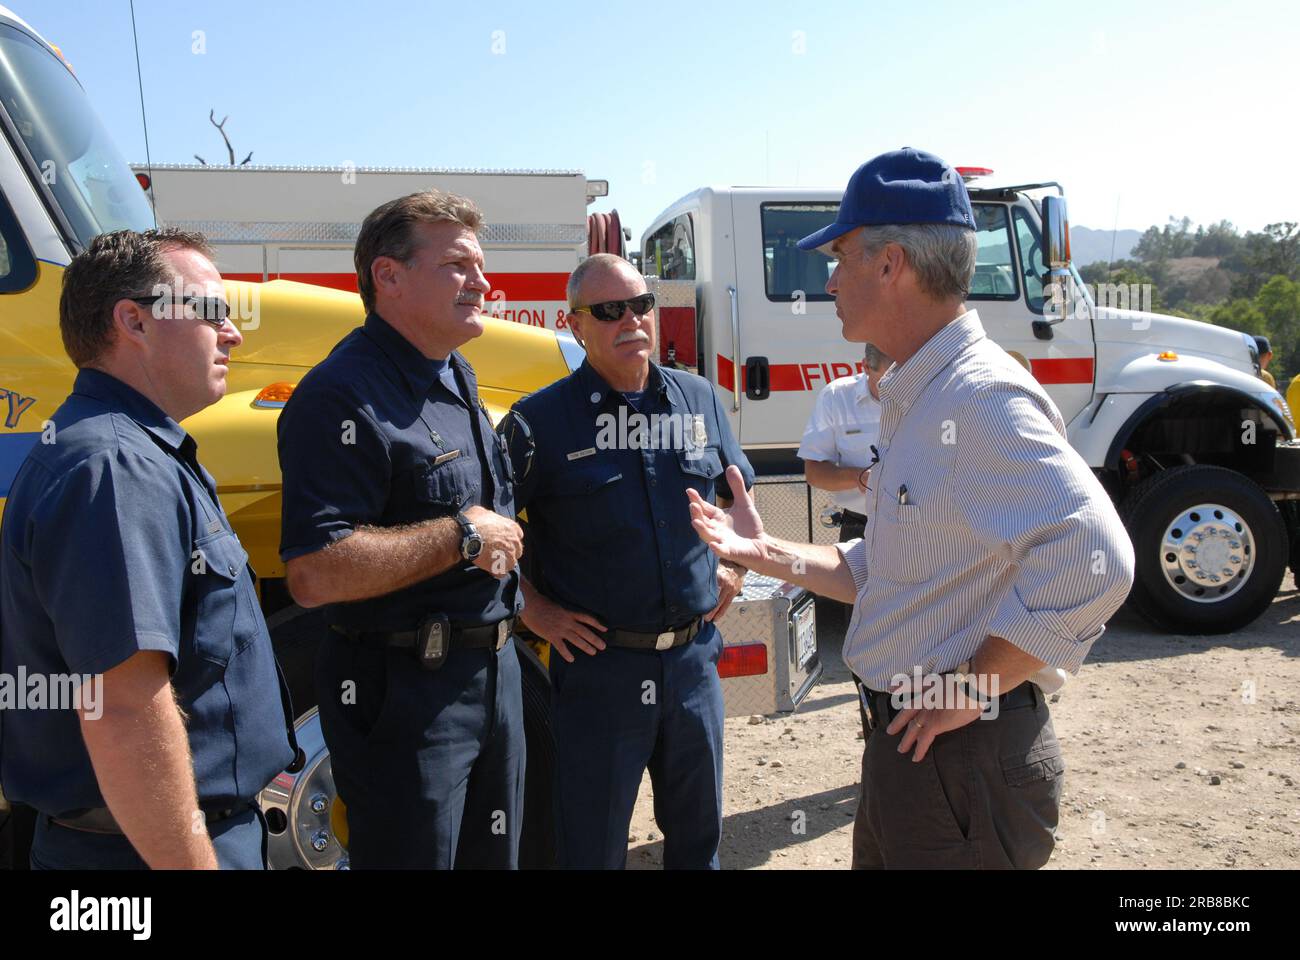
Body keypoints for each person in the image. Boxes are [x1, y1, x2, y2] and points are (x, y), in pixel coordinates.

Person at [687, 148, 1135, 869]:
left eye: (839, 257)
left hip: (961, 760)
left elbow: (1096, 558)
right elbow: (892, 569)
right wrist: (763, 551)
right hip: (918, 755)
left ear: (891, 264)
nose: (828, 280)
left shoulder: (979, 397)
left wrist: (973, 685)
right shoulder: (921, 393)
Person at [0, 229, 294, 869]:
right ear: (133, 320)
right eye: (211, 310)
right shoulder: (114, 468)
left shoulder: (126, 451)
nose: (233, 333)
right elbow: (126, 707)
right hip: (142, 855)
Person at [276, 191, 525, 869]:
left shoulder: (455, 373)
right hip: (406, 696)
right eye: (457, 265)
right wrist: (461, 537)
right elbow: (315, 571)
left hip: (494, 679)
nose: (482, 282)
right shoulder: (340, 397)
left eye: (481, 265)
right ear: (388, 276)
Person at [498, 253, 754, 869]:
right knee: (591, 845)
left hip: (694, 664)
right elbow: (488, 534)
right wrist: (535, 612)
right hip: (600, 674)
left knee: (698, 841)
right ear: (575, 323)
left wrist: (736, 565)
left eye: (640, 304)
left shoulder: (699, 399)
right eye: (609, 310)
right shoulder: (539, 422)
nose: (631, 320)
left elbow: (738, 498)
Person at [798, 342, 891, 542]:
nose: (894, 389)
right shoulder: (837, 397)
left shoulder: (926, 393)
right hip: (859, 526)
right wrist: (860, 478)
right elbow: (814, 472)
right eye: (886, 381)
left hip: (920, 525)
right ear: (865, 367)